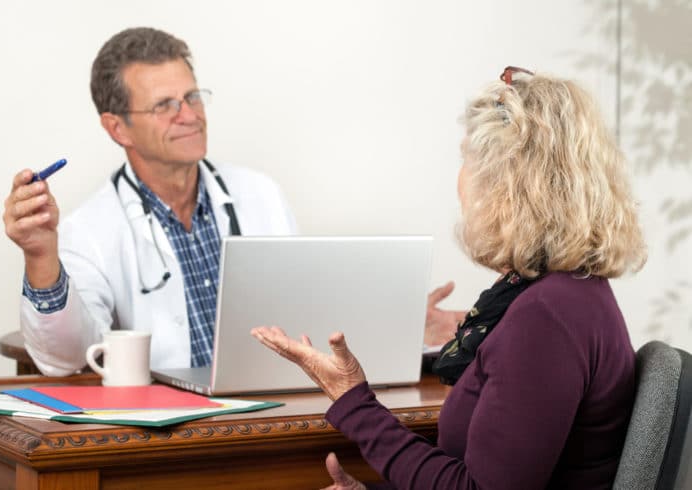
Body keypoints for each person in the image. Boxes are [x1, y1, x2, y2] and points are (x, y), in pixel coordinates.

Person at [251, 67, 647, 489]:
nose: (460, 179)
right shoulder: (569, 294)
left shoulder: (546, 316)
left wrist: (353, 400)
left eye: (467, 159)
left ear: (506, 186)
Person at [3, 27, 297, 376]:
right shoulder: (86, 231)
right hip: (170, 423)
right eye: (164, 106)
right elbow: (65, 359)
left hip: (273, 409)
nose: (189, 115)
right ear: (118, 129)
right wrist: (40, 256)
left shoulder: (261, 194)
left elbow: (304, 312)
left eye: (192, 97)